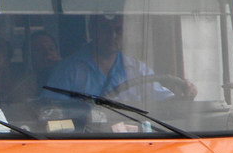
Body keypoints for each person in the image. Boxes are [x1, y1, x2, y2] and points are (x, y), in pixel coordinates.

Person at [43, 14, 177, 104]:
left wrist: (185, 96)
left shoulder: (138, 69)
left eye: (118, 30)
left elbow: (164, 103)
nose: (112, 36)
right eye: (106, 29)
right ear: (92, 30)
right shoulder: (68, 70)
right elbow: (51, 110)